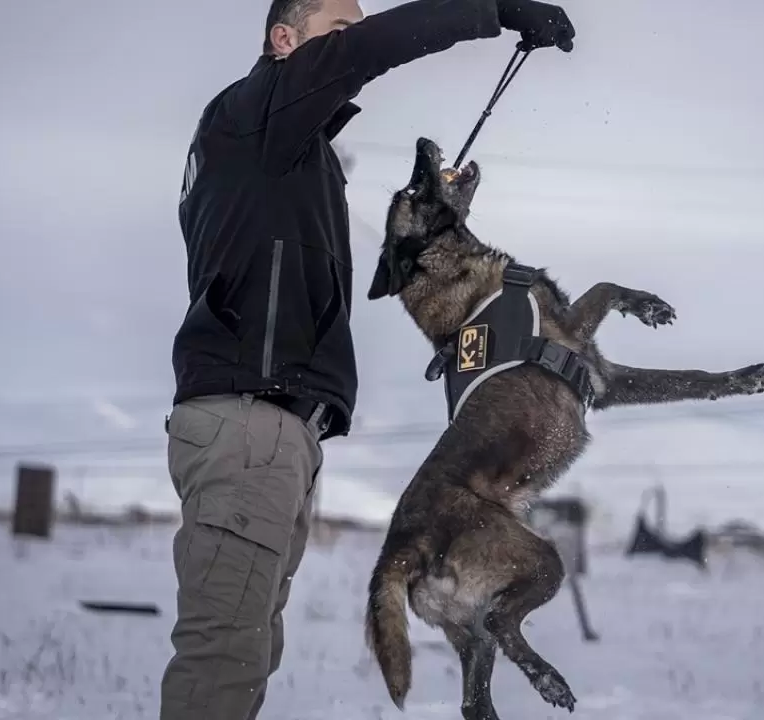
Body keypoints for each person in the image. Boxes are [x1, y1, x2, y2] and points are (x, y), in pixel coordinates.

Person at [159, 0, 575, 718]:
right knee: (224, 650)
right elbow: (369, 50)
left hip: (277, 427)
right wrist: (496, 9)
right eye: (337, 30)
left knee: (250, 649)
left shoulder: (284, 148)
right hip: (248, 422)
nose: (351, 41)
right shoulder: (255, 111)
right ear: (284, 39)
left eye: (354, 30)